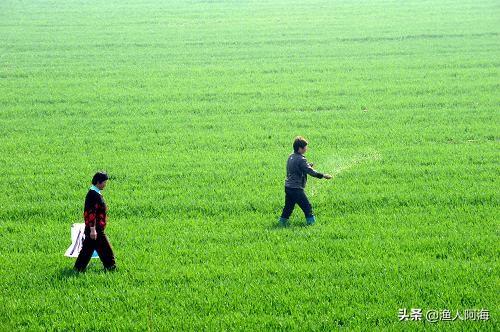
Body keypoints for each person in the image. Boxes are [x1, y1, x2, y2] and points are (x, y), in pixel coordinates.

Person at [279, 136, 332, 226]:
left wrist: (307, 165)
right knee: (307, 207)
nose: (306, 149)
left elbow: (297, 168)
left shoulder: (291, 156)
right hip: (296, 189)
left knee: (288, 207)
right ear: (300, 148)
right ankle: (312, 224)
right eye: (305, 147)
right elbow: (310, 172)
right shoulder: (301, 159)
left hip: (288, 187)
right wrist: (323, 175)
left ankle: (281, 223)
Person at [74, 171, 116, 272]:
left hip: (95, 228)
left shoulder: (95, 193)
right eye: (104, 183)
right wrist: (93, 230)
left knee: (87, 250)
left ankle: (78, 268)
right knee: (106, 250)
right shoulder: (93, 195)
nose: (105, 185)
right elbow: (91, 213)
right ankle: (111, 267)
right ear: (98, 182)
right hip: (95, 229)